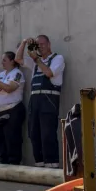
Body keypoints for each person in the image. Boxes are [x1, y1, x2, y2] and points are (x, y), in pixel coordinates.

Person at [16, 35, 65, 168]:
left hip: (49, 99)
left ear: (49, 44)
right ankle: (40, 164)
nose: (41, 47)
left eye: (43, 44)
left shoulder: (57, 58)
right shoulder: (35, 62)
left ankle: (52, 164)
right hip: (35, 100)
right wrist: (25, 42)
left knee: (47, 133)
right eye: (38, 45)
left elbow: (49, 73)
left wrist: (36, 59)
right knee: (34, 133)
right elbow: (18, 59)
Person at [0, 51, 26, 165]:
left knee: (12, 138)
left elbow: (10, 88)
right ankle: (3, 162)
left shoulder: (17, 73)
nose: (2, 63)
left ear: (12, 61)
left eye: (4, 60)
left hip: (13, 109)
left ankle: (14, 163)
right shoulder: (1, 74)